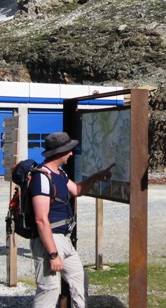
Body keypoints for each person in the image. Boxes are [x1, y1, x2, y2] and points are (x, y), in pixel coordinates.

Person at [30, 132, 114, 308]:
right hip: (50, 240)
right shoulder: (42, 177)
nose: (71, 154)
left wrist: (96, 176)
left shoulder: (59, 173)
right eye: (69, 150)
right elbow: (40, 219)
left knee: (79, 279)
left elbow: (76, 190)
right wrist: (53, 254)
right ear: (60, 152)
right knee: (49, 290)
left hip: (64, 240)